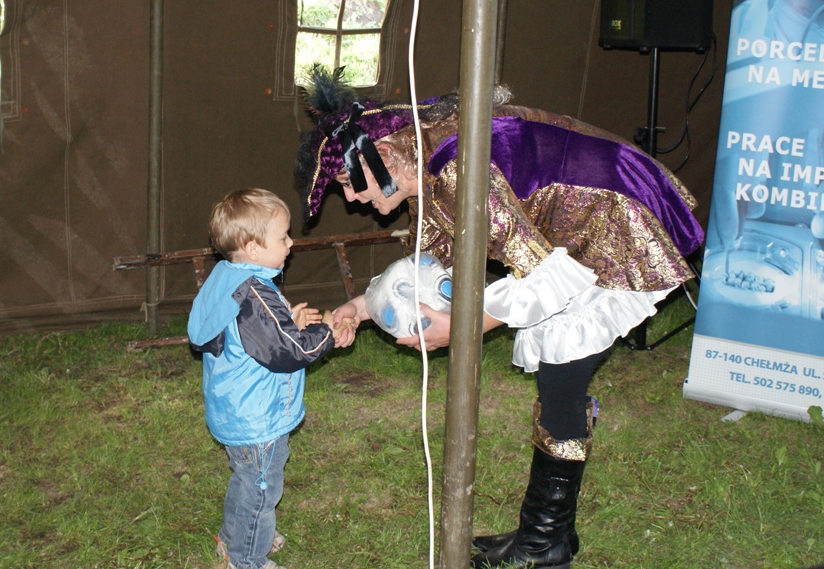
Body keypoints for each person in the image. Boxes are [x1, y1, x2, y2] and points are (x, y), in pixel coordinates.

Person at [294, 66, 704, 568]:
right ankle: (547, 534)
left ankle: (545, 541)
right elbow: (431, 267)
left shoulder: (456, 170)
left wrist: (463, 328)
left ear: (382, 156)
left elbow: (545, 277)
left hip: (616, 218)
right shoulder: (428, 174)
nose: (353, 198)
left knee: (562, 376)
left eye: (347, 183)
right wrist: (360, 307)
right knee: (560, 380)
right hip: (578, 234)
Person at [187, 188, 355, 569]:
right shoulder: (254, 294)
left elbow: (252, 337)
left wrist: (289, 323)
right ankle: (247, 558)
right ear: (252, 248)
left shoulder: (228, 276)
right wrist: (327, 331)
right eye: (283, 238)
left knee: (246, 478)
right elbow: (289, 351)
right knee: (261, 488)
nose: (291, 243)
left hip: (234, 409)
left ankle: (232, 537)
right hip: (258, 417)